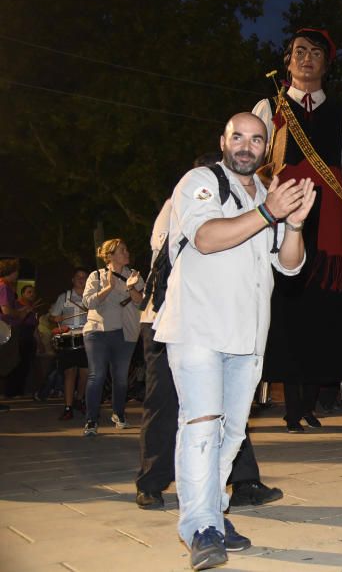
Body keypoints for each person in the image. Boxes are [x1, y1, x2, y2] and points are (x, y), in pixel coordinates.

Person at [153, 112, 315, 569]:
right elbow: (205, 238)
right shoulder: (200, 181)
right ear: (223, 141)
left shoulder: (270, 194)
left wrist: (296, 222)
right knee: (201, 426)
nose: (247, 146)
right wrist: (269, 213)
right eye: (238, 137)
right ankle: (200, 527)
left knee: (231, 433)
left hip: (248, 334)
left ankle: (213, 514)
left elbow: (289, 266)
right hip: (198, 328)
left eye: (256, 139)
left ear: (267, 149)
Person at [253, 27, 342, 434]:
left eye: (315, 53)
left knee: (321, 314)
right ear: (288, 60)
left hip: (330, 222)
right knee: (286, 310)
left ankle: (309, 402)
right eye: (299, 51)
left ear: (325, 64)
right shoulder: (269, 108)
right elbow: (253, 163)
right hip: (284, 217)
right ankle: (291, 405)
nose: (306, 58)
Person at [135, 154, 283, 511]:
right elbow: (169, 251)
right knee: (166, 403)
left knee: (230, 406)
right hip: (174, 317)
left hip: (217, 320)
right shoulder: (183, 202)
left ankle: (242, 481)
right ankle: (152, 482)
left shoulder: (239, 204)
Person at [81, 239, 144, 436]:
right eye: (122, 250)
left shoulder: (134, 276)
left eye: (126, 249)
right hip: (97, 332)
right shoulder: (96, 275)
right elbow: (88, 302)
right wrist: (108, 287)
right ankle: (91, 419)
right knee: (97, 375)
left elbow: (141, 304)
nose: (127, 253)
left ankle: (118, 414)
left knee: (121, 378)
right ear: (110, 256)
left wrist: (132, 288)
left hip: (125, 332)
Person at [48, 268, 90, 419]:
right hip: (68, 337)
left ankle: (79, 399)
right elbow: (52, 316)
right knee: (69, 372)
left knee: (85, 373)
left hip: (87, 337)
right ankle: (68, 407)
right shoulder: (64, 297)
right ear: (73, 279)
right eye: (78, 277)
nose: (81, 279)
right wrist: (56, 319)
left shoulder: (91, 298)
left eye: (84, 277)